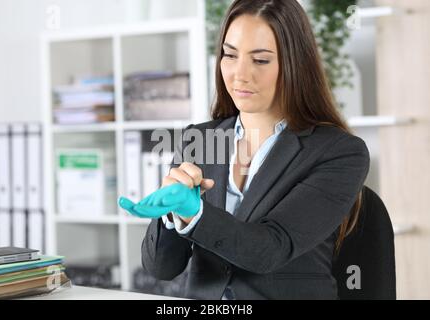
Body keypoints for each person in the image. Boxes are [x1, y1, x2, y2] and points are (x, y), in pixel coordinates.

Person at [120, 0, 370, 299]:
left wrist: (196, 213)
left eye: (260, 60)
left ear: (295, 63)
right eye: (230, 55)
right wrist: (170, 215)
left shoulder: (339, 152)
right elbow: (161, 268)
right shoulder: (199, 139)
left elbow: (270, 249)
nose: (239, 74)